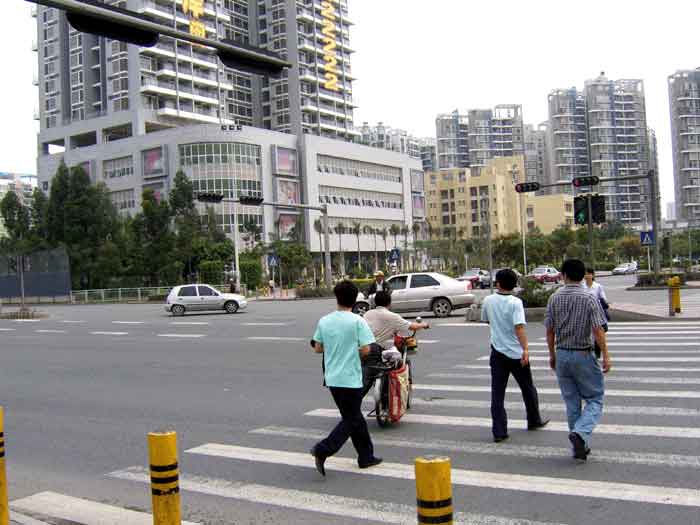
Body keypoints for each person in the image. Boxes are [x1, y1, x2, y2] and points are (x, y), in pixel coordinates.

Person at [310, 280, 383, 476]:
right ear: (354, 299)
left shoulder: (325, 320)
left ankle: (366, 456)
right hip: (350, 377)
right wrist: (352, 352)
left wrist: (335, 348)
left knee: (354, 417)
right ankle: (323, 449)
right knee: (351, 419)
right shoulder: (357, 321)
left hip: (332, 378)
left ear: (337, 297)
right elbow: (367, 350)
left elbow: (317, 348)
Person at [545, 259, 612, 463]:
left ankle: (579, 446)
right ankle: (581, 434)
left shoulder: (554, 298)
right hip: (583, 353)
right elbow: (598, 329)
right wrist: (606, 355)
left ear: (563, 275)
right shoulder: (589, 298)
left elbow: (549, 330)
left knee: (572, 402)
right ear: (584, 276)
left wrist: (552, 355)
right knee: (595, 398)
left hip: (562, 354)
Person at [481, 269, 549, 443]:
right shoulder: (516, 302)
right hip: (516, 353)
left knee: (497, 393)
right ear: (514, 284)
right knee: (528, 388)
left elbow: (487, 320)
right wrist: (526, 349)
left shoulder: (488, 300)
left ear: (497, 283)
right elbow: (519, 328)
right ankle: (534, 420)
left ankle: (499, 431)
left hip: (497, 352)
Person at [364, 291, 430, 350]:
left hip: (363, 348)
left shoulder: (367, 314)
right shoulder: (392, 316)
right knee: (397, 360)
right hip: (376, 350)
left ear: (375, 302)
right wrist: (424, 324)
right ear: (389, 303)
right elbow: (412, 326)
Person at [583, 268, 610, 358]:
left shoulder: (598, 286)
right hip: (585, 314)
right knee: (588, 334)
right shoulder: (582, 287)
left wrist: (597, 301)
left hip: (597, 313)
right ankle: (590, 350)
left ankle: (597, 352)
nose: (587, 276)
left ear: (592, 275)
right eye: (585, 274)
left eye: (588, 274)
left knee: (597, 332)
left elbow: (603, 299)